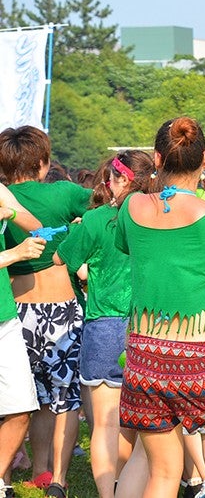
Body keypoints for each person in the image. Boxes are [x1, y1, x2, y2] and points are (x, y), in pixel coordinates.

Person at [115, 116, 205, 497]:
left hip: (144, 354)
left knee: (162, 471)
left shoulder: (131, 207)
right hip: (201, 357)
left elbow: (125, 245)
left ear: (158, 159)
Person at [53, 151, 154, 498]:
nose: (106, 184)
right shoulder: (158, 218)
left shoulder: (96, 220)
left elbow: (60, 257)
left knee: (106, 423)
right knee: (143, 423)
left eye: (110, 178)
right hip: (148, 327)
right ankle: (131, 486)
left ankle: (109, 494)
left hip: (104, 328)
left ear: (122, 180)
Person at [0, 125, 92, 498]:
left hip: (16, 310)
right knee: (64, 395)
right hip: (61, 310)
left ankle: (29, 465)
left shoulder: (7, 202)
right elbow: (102, 205)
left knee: (29, 396)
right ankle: (54, 474)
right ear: (43, 162)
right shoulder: (64, 191)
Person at [0, 182, 44, 498]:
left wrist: (10, 211)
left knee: (22, 407)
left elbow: (35, 225)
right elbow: (18, 251)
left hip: (5, 316)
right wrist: (13, 254)